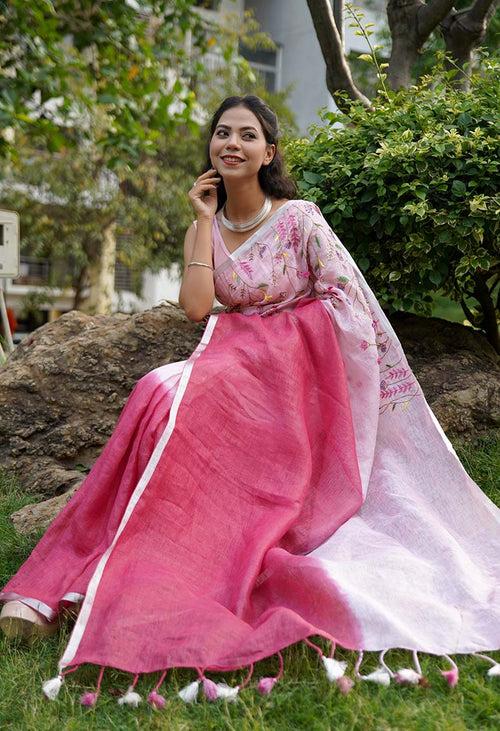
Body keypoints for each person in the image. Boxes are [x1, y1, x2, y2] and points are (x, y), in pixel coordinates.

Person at [1, 95, 499, 708]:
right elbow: (195, 308)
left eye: (246, 135)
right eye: (221, 134)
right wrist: (202, 220)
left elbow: (347, 299)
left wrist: (285, 334)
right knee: (156, 391)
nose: (231, 144)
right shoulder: (204, 225)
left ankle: (120, 576)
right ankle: (102, 573)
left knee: (176, 394)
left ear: (269, 152)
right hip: (233, 362)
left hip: (298, 380)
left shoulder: (300, 218)